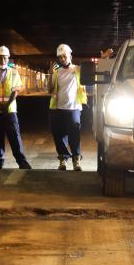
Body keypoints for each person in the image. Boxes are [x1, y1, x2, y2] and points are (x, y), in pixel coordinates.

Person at [0, 46, 32, 170]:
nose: (2, 60)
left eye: (5, 57)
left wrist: (7, 104)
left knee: (14, 135)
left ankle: (21, 161)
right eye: (0, 57)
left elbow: (16, 90)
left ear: (8, 58)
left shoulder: (14, 72)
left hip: (10, 110)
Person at [48, 43, 87, 171]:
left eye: (64, 56)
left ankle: (76, 160)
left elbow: (94, 72)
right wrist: (50, 75)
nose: (62, 59)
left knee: (74, 135)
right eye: (60, 57)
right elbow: (50, 90)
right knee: (58, 135)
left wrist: (103, 59)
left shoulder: (78, 69)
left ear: (70, 55)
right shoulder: (56, 72)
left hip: (74, 108)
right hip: (57, 108)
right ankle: (63, 159)